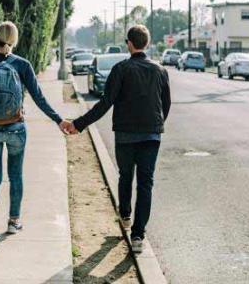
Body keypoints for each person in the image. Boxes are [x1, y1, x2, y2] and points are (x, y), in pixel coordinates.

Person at [66, 25, 171, 253]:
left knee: (125, 176)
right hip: (152, 136)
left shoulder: (121, 69)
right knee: (146, 184)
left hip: (125, 135)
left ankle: (125, 215)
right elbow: (166, 105)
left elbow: (105, 104)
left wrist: (78, 124)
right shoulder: (160, 71)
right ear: (147, 43)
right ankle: (138, 237)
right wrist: (156, 124)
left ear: (129, 43)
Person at [0, 21, 71, 249]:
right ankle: (14, 221)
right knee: (15, 175)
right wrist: (58, 119)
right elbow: (38, 97)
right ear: (14, 40)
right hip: (16, 128)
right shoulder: (22, 64)